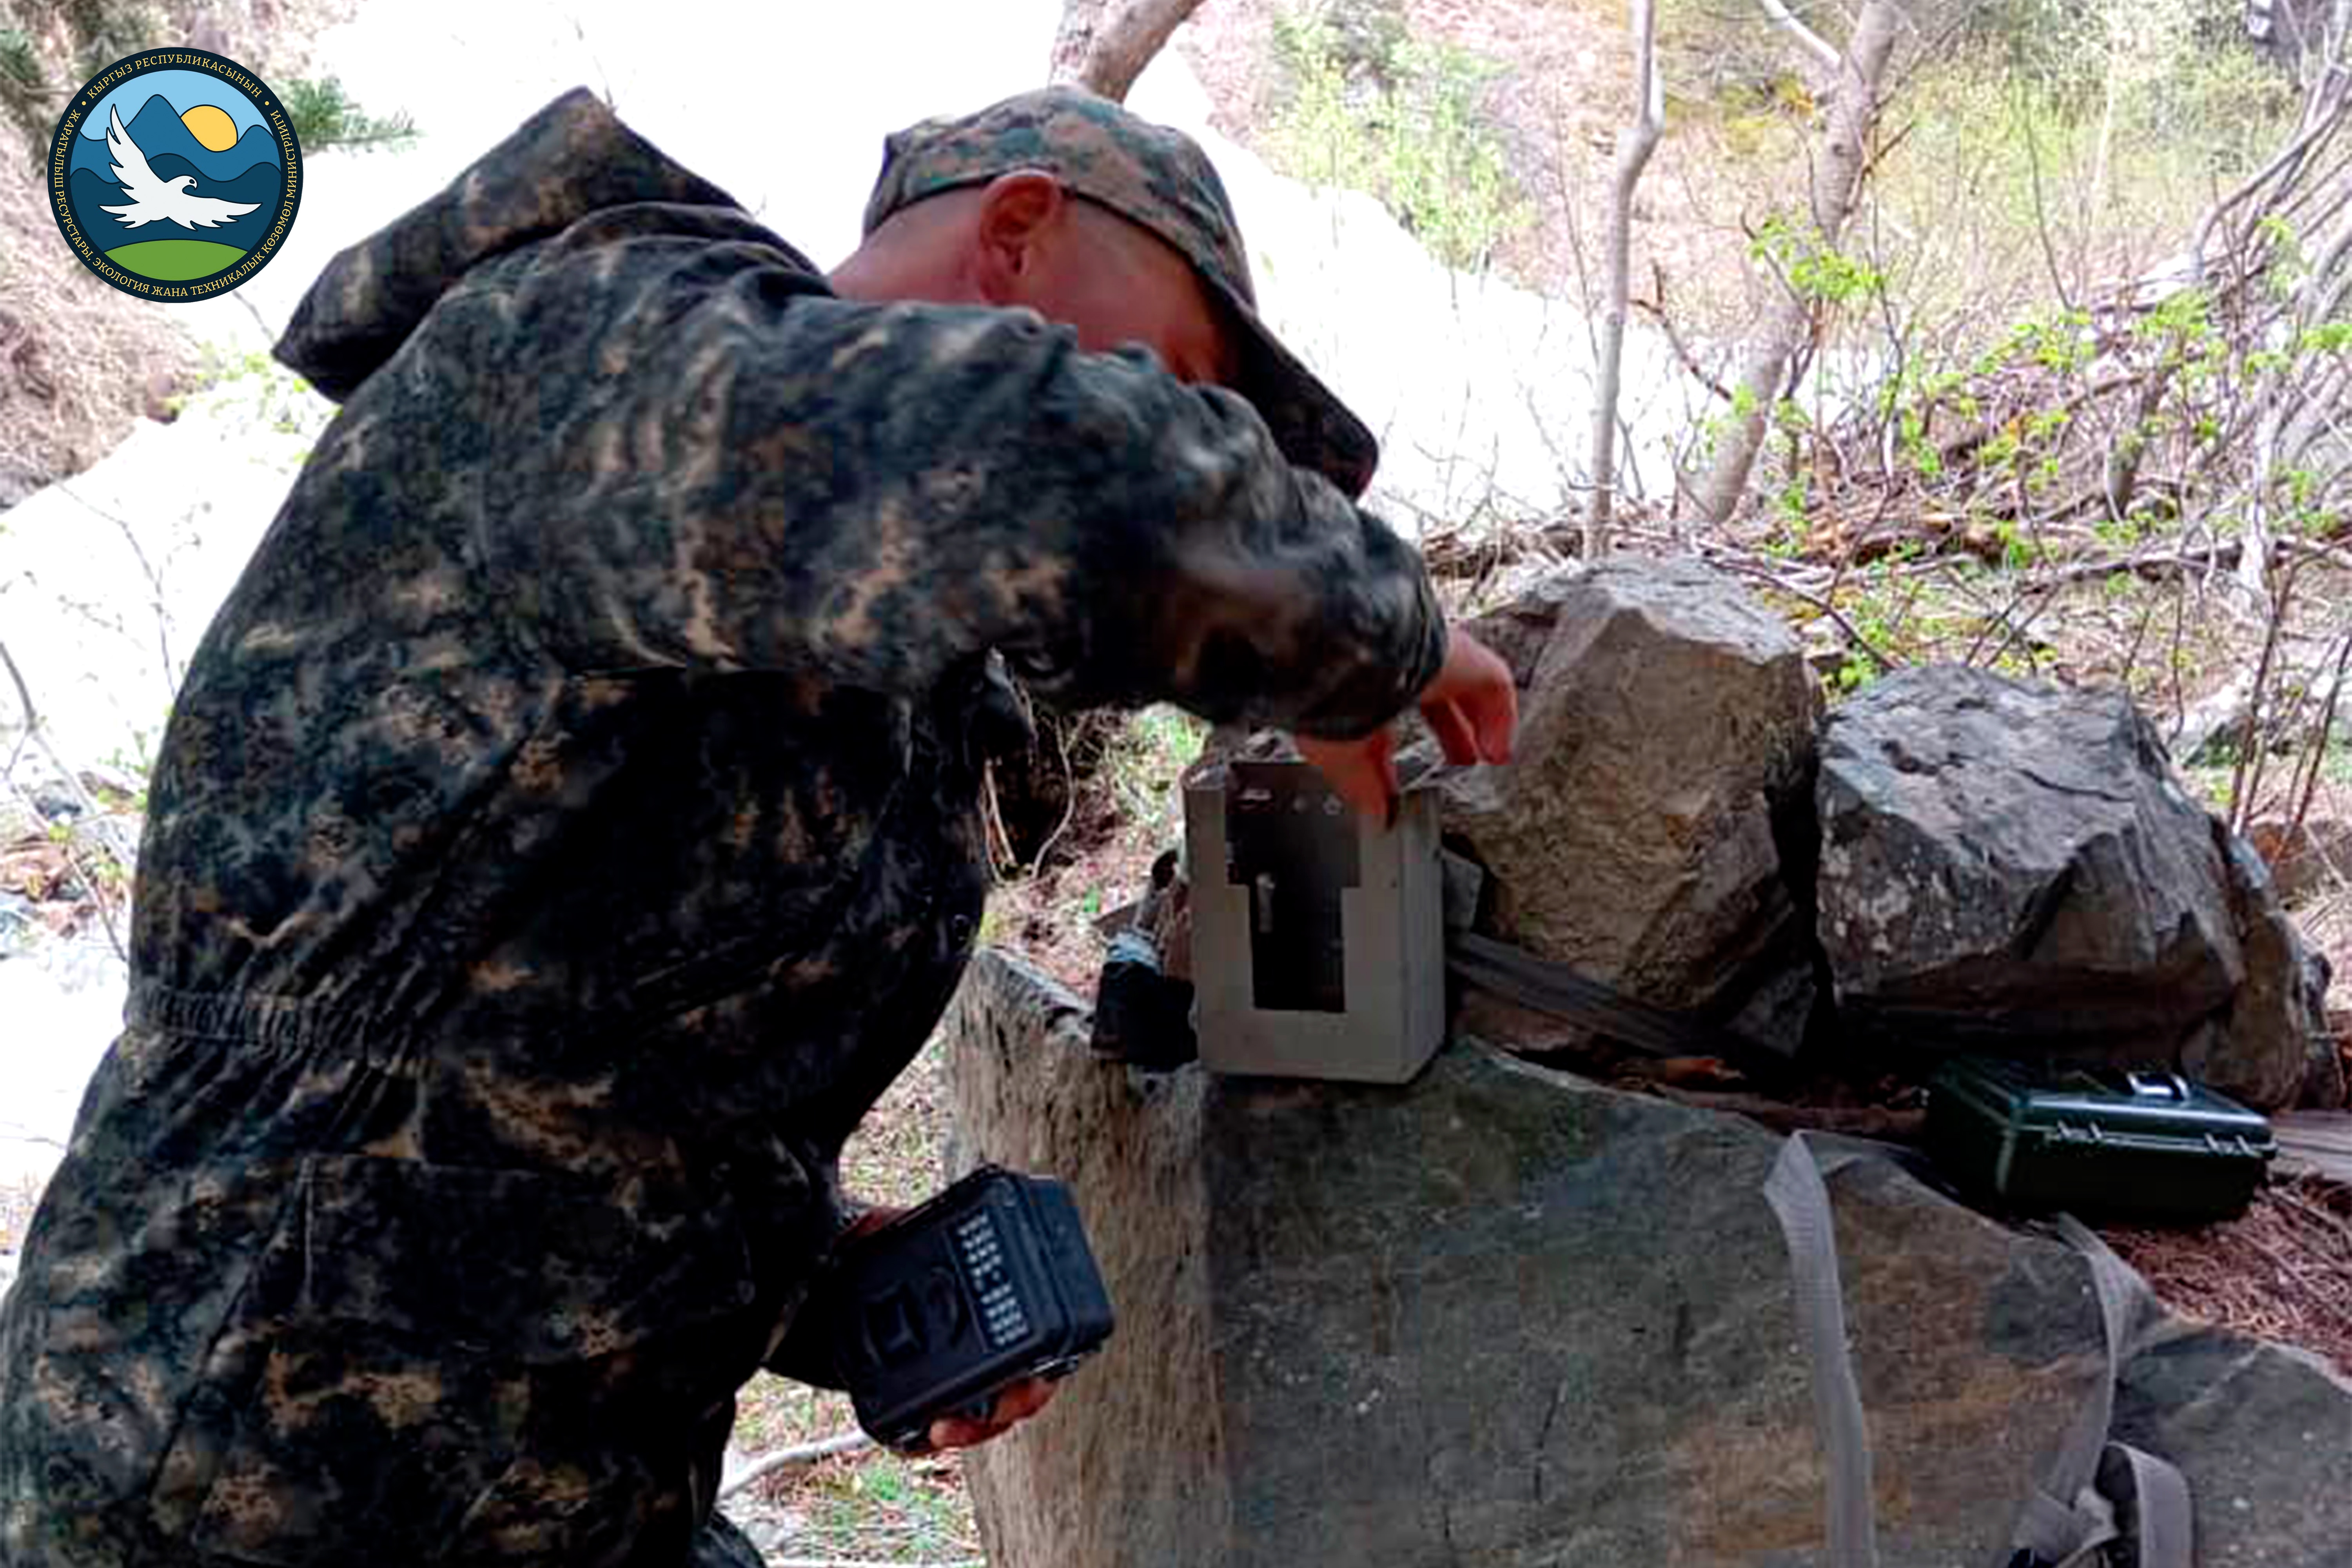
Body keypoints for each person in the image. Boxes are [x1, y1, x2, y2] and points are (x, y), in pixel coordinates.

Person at [0, 83, 1515, 1567]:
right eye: (1180, 378)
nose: (1188, 428)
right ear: (1020, 233)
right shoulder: (598, 339)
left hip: (558, 1480)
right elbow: (1046, 464)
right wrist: (1365, 631)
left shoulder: (830, 626)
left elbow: (553, 1077)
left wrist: (817, 1275)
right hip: (238, 1459)